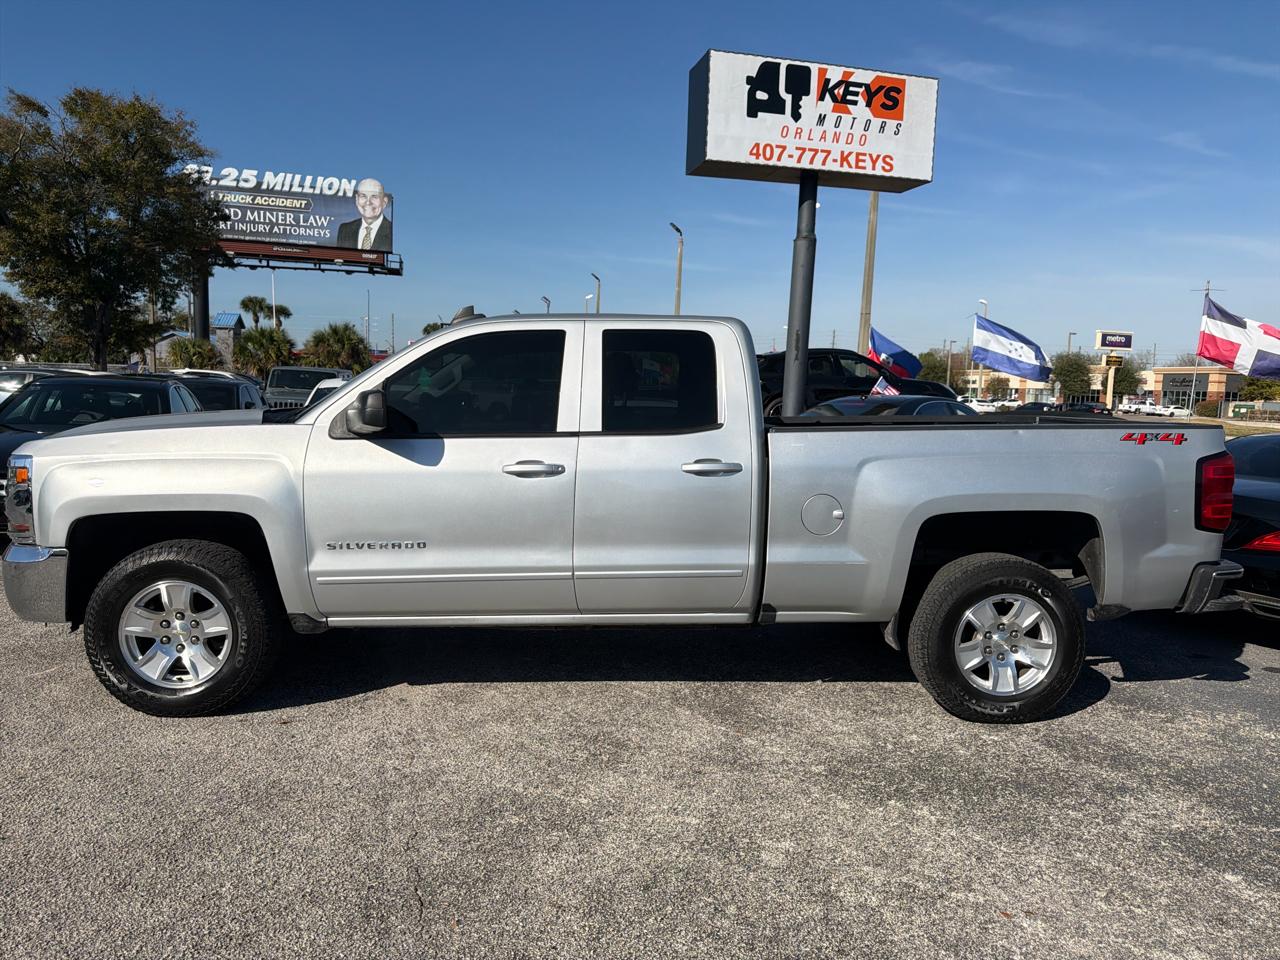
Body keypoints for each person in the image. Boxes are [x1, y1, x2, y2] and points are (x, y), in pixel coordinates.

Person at [335, 178, 393, 251]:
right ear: (356, 199)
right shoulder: (344, 229)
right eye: (363, 196)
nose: (368, 202)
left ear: (384, 202)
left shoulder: (391, 230)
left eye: (374, 196)